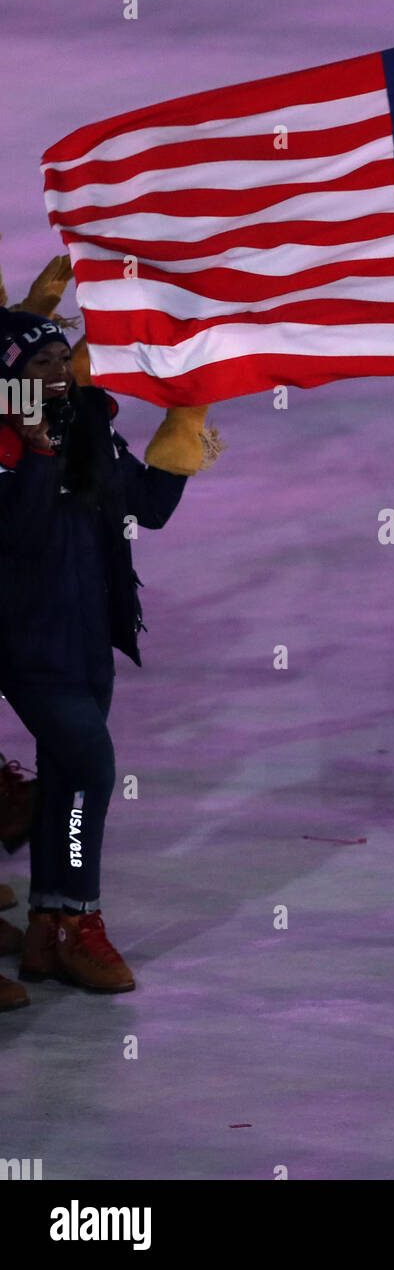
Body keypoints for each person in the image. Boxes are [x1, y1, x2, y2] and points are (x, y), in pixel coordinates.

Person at [0, 306, 209, 1004]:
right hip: (24, 646)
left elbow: (145, 507)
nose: (59, 373)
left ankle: (47, 931)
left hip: (91, 643)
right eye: (39, 365)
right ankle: (82, 920)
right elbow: (18, 541)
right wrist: (34, 452)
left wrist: (182, 432)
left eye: (63, 357)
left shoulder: (88, 421)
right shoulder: (3, 443)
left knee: (65, 778)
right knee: (91, 766)